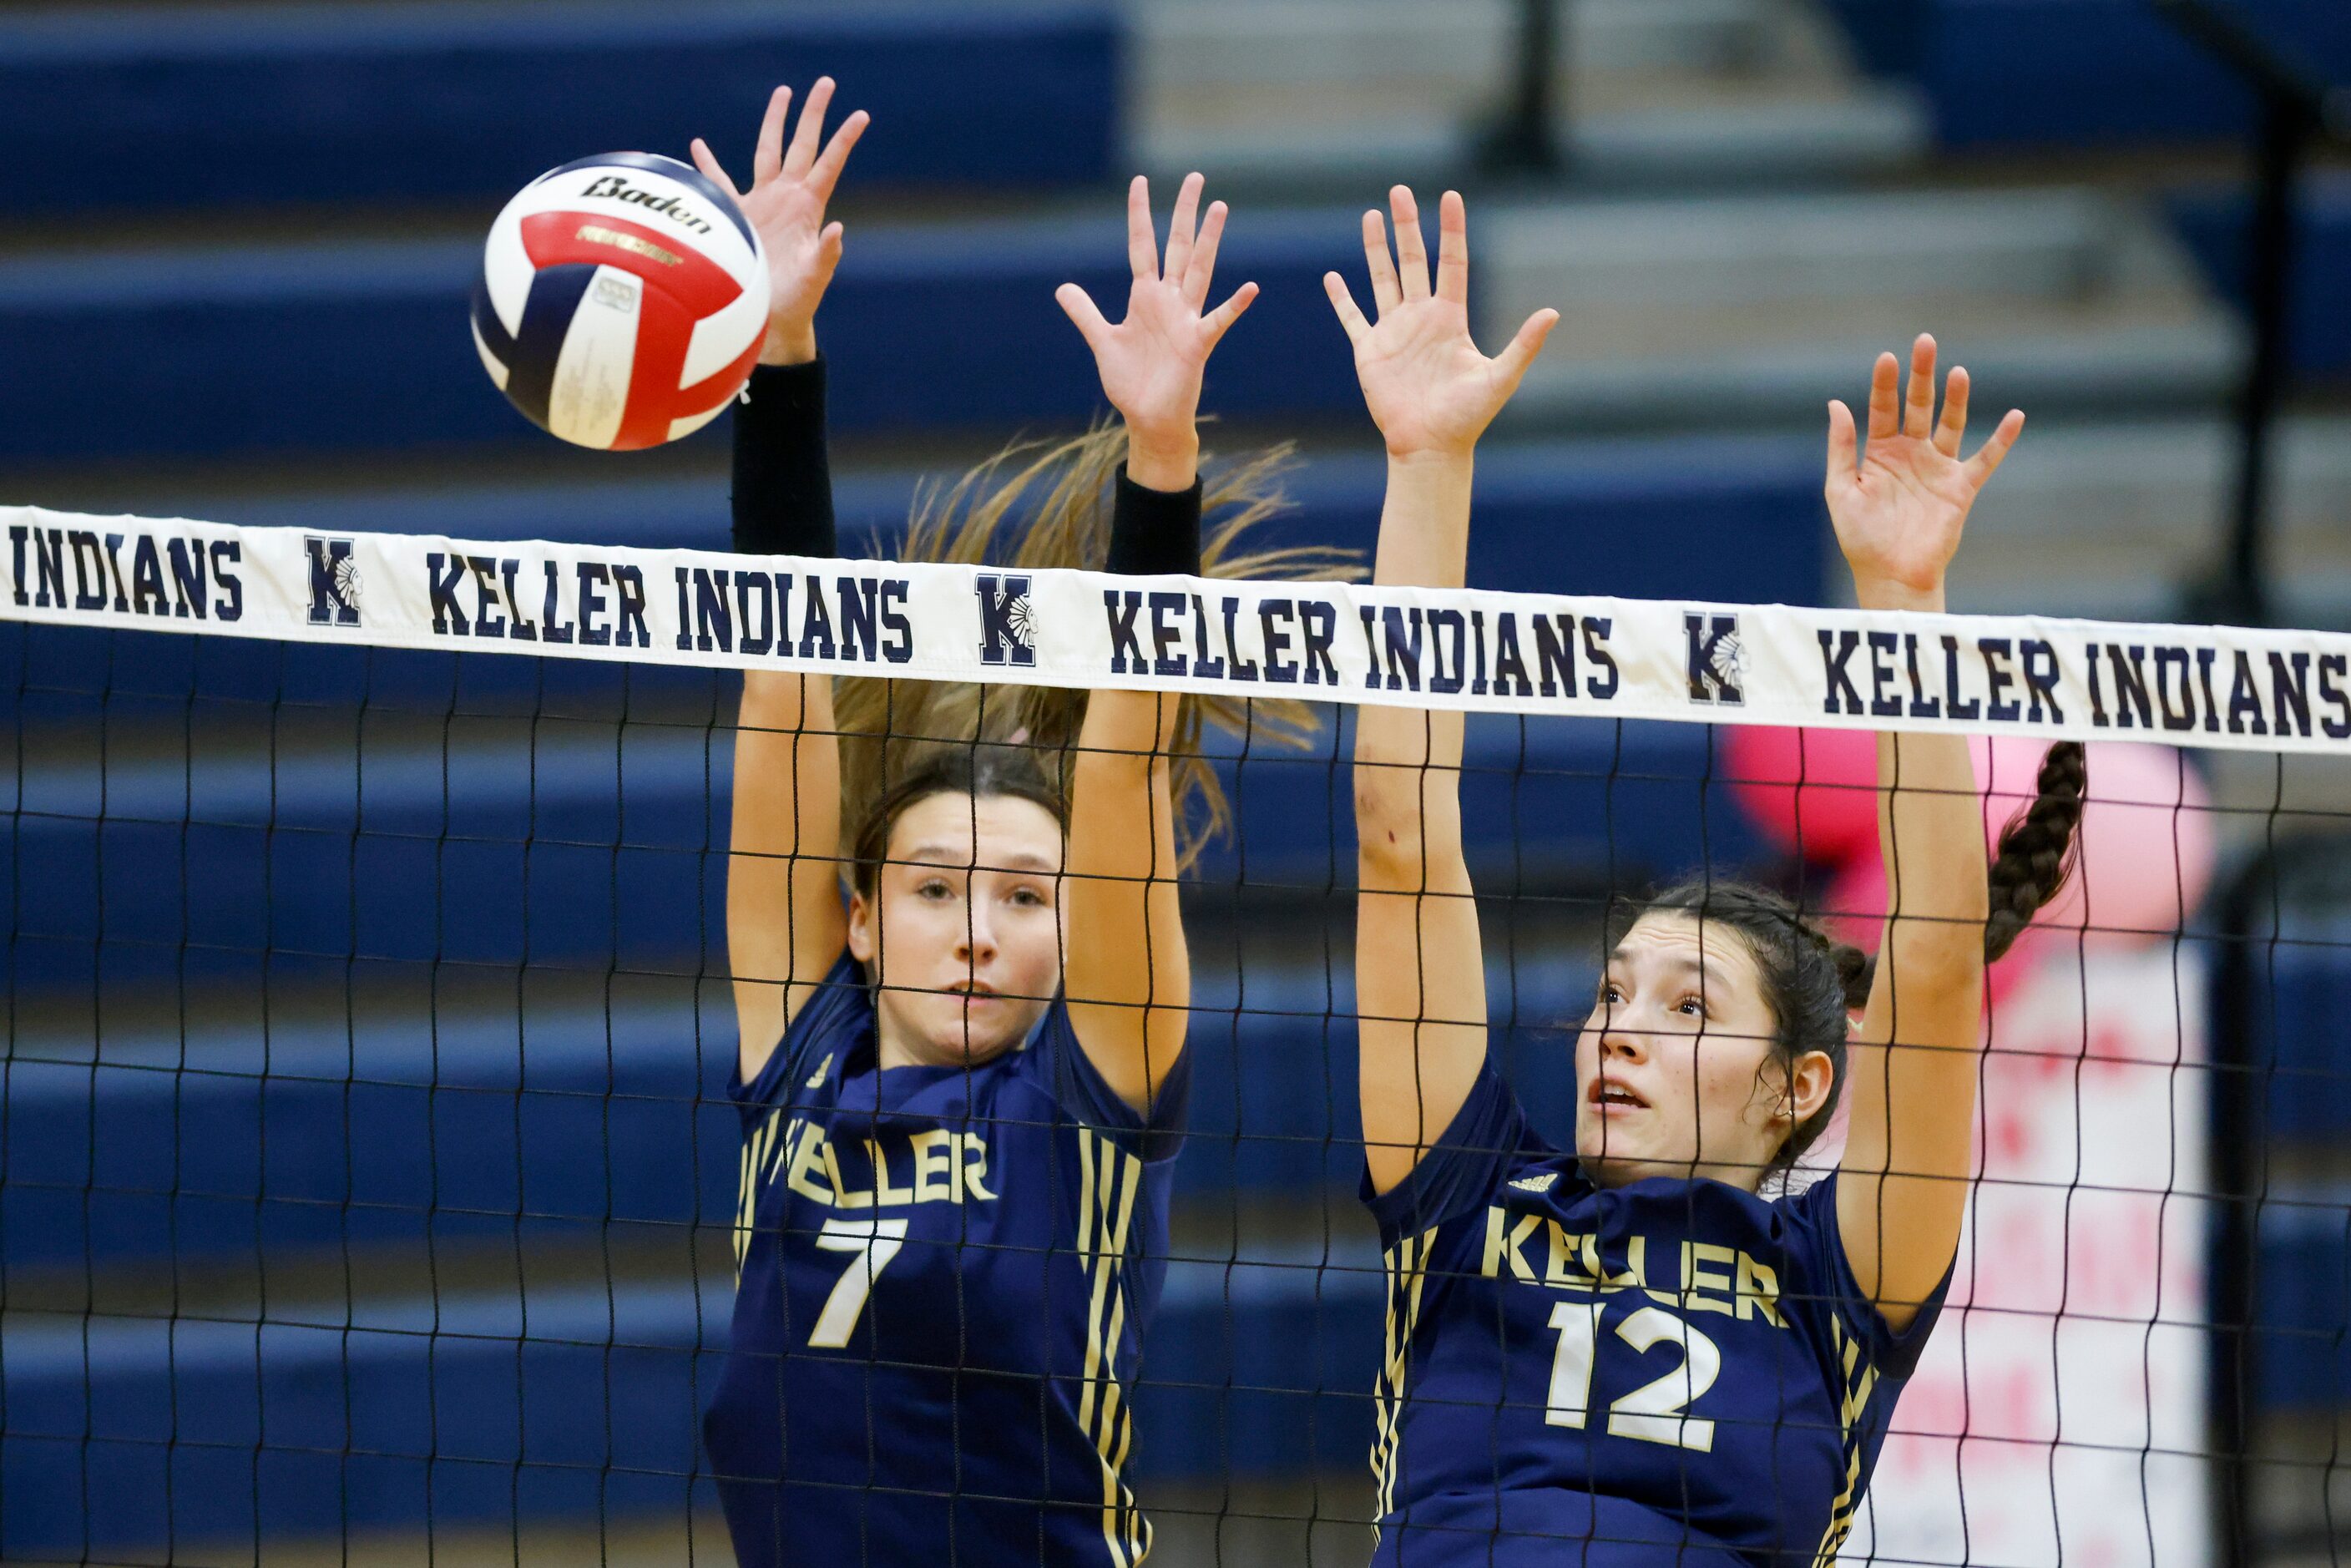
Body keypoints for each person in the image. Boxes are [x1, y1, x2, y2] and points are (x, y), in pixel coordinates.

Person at [1332, 185, 2083, 1565]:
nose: (1619, 1024)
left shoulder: (1838, 1284)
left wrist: (1904, 610)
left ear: (1802, 1085)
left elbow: (1927, 969)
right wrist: (1426, 464)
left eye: (1687, 1008)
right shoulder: (1469, 1197)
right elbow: (1399, 828)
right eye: (1618, 991)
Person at [690, 81, 1343, 1566]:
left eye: (1027, 896)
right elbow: (784, 668)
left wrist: (1159, 465)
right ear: (859, 918)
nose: (981, 930)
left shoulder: (1080, 1106)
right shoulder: (805, 1065)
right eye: (933, 888)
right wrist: (776, 350)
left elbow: (1121, 769)